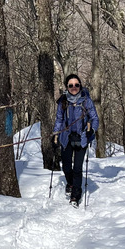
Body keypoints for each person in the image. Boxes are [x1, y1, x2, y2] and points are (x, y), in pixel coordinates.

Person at [52, 73, 99, 206]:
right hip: (66, 137)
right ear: (67, 87)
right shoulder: (63, 101)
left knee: (77, 168)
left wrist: (91, 130)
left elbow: (94, 118)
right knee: (66, 166)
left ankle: (75, 196)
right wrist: (55, 135)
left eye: (76, 85)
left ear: (80, 86)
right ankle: (71, 183)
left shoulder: (86, 101)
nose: (74, 87)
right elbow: (59, 119)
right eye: (71, 85)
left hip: (82, 138)